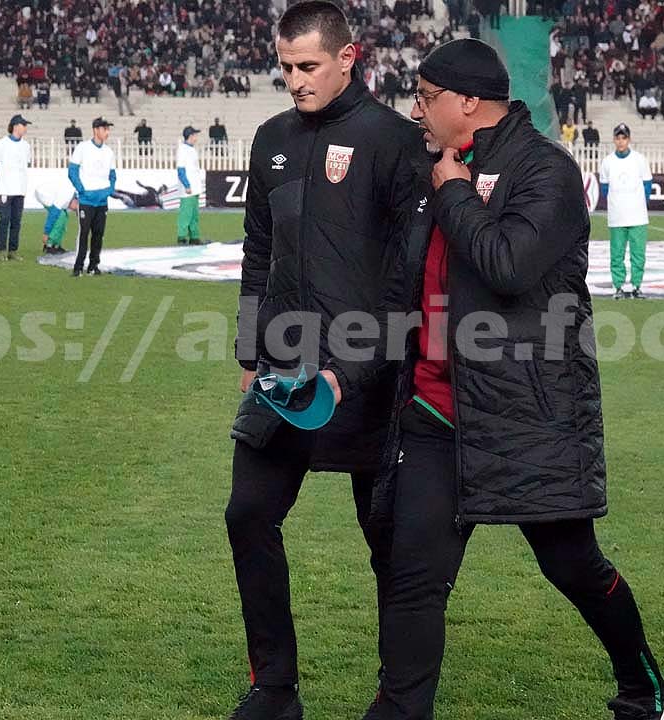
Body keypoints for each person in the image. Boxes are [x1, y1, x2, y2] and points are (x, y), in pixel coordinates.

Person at [369, 37, 664, 720]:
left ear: (467, 101)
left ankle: (644, 684)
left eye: (425, 97)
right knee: (414, 578)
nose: (416, 110)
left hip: (527, 415)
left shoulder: (546, 171)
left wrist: (453, 193)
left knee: (573, 566)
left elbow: (507, 265)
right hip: (435, 409)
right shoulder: (429, 168)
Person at [224, 1, 425, 717]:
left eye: (307, 66)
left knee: (389, 546)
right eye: (285, 67)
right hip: (285, 370)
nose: (295, 80)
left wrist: (357, 368)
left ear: (348, 57)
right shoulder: (272, 138)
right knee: (247, 515)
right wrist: (250, 346)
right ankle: (274, 689)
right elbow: (257, 250)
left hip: (370, 379)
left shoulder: (395, 141)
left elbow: (407, 280)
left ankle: (397, 698)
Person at [600, 123, 652, 299]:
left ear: (629, 139)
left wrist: (638, 204)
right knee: (617, 254)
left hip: (638, 216)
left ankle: (637, 285)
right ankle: (618, 286)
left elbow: (647, 185)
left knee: (638, 255)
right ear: (614, 140)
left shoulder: (640, 160)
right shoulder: (607, 162)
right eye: (618, 138)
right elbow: (604, 188)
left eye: (624, 138)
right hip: (617, 217)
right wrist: (617, 203)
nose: (621, 141)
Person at [67, 117, 117, 277]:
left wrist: (109, 190)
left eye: (108, 129)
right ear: (96, 130)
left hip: (102, 201)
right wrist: (82, 190)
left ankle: (93, 266)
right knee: (83, 234)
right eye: (104, 129)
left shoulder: (109, 152)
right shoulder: (82, 148)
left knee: (98, 234)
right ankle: (78, 267)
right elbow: (72, 171)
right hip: (86, 200)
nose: (107, 132)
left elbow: (112, 175)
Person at [0, 114, 32, 261]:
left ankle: (13, 250)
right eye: (23, 125)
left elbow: (26, 164)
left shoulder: (26, 146)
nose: (25, 128)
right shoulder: (1, 144)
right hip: (5, 189)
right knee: (4, 220)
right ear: (15, 126)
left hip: (20, 189)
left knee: (16, 221)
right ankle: (1, 250)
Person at [175, 125, 204, 245]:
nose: (196, 137)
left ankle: (194, 236)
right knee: (186, 214)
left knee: (194, 214)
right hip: (188, 189)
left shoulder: (191, 150)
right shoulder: (182, 150)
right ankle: (182, 236)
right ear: (190, 136)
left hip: (194, 187)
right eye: (195, 135)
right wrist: (186, 185)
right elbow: (180, 170)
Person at [35, 183, 77, 254]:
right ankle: (49, 245)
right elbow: (52, 216)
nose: (73, 210)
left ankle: (56, 245)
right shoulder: (64, 198)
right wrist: (46, 233)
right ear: (75, 201)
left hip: (50, 194)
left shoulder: (70, 198)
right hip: (45, 195)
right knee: (60, 217)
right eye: (75, 209)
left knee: (64, 216)